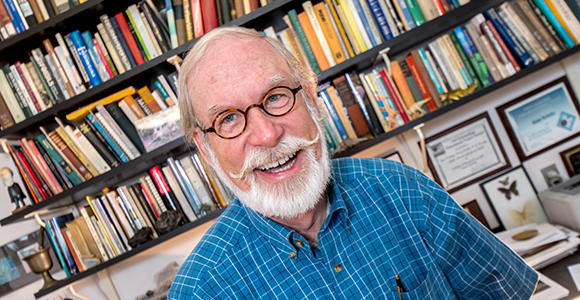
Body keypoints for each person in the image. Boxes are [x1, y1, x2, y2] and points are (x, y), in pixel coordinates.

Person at [168, 26, 538, 299]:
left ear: (311, 98)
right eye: (228, 119)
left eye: (276, 96)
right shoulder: (201, 291)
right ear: (205, 146)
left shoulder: (404, 191)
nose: (267, 135)